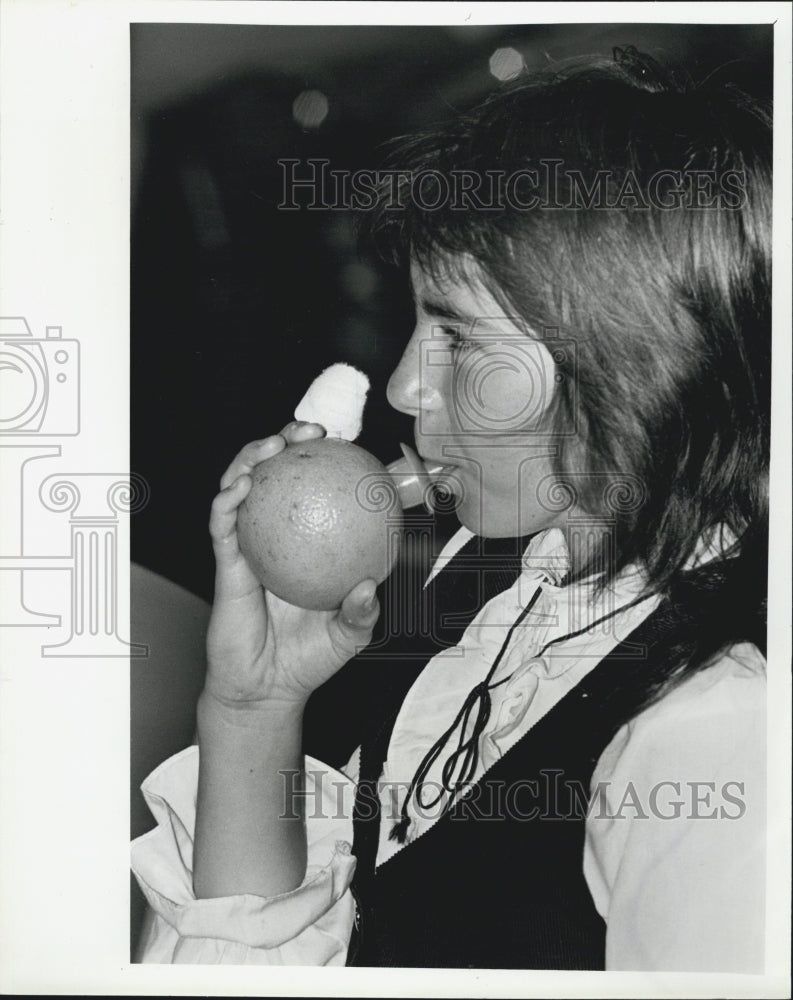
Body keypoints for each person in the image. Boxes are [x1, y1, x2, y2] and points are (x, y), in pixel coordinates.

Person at [131, 49, 770, 970]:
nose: (401, 385)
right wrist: (255, 703)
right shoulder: (472, 561)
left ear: (636, 360)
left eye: (459, 339)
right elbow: (261, 961)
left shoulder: (717, 738)